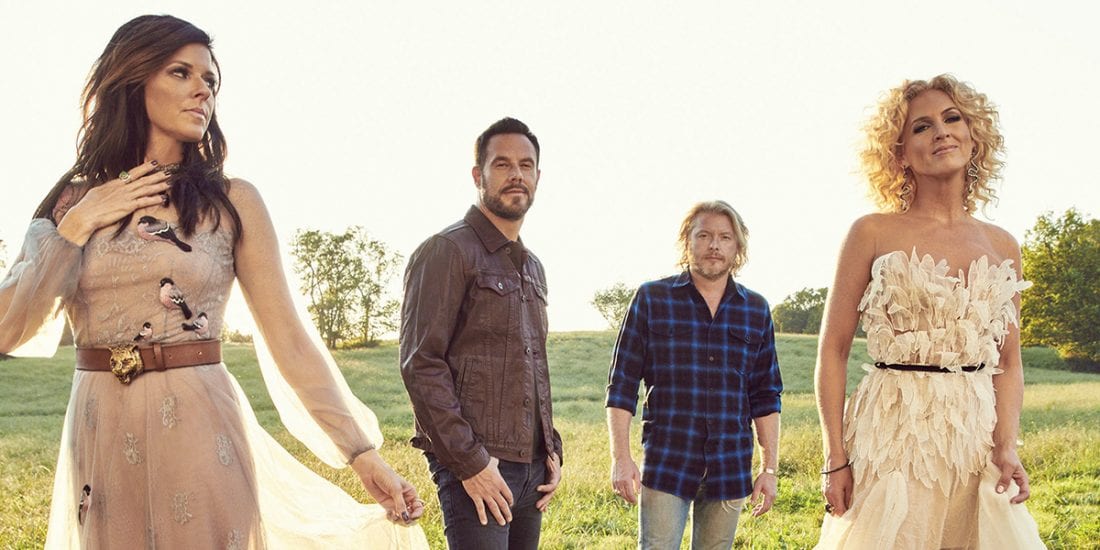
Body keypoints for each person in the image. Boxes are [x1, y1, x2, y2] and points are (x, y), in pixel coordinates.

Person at [0, 15, 427, 549]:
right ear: (133, 80)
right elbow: (8, 329)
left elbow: (289, 339)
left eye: (210, 79)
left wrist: (362, 454)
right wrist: (79, 223)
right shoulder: (73, 201)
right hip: (100, 433)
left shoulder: (232, 201)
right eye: (181, 73)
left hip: (201, 430)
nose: (202, 89)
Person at [814, 74, 1045, 548]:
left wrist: (1006, 445)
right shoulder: (871, 232)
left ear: (973, 136)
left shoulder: (1003, 245)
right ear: (899, 153)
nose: (941, 131)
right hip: (892, 438)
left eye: (952, 118)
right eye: (922, 126)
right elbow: (833, 351)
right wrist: (835, 457)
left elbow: (1009, 361)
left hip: (974, 442)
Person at [399, 117, 563, 549]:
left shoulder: (533, 266)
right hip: (478, 465)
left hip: (531, 469)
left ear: (538, 177)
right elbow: (421, 364)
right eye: (502, 164)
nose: (517, 175)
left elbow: (533, 362)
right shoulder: (446, 250)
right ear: (478, 175)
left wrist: (552, 450)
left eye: (526, 166)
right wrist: (471, 464)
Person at [606, 200, 783, 550]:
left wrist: (770, 469)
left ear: (738, 247)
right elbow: (621, 386)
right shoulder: (652, 299)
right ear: (686, 241)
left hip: (729, 465)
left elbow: (765, 396)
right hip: (668, 460)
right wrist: (621, 459)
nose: (714, 245)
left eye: (725, 237)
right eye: (704, 235)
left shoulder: (755, 309)